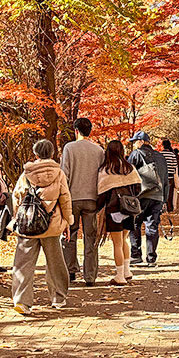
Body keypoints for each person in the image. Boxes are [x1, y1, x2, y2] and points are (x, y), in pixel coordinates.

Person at [11, 139, 72, 314]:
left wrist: (18, 218)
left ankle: (22, 302)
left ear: (35, 154)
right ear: (52, 154)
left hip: (28, 225)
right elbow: (65, 199)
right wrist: (68, 222)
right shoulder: (59, 173)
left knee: (23, 264)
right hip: (52, 223)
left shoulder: (26, 174)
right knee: (55, 262)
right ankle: (58, 298)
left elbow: (17, 198)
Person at [59, 118, 104, 286]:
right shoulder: (99, 150)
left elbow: (65, 174)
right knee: (90, 237)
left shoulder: (69, 148)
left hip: (72, 198)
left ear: (76, 130)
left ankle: (70, 270)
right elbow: (102, 176)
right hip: (92, 198)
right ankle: (90, 276)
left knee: (69, 235)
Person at [96, 140, 142, 285]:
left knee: (116, 243)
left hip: (113, 210)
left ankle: (120, 276)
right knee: (124, 240)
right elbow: (138, 189)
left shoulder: (105, 171)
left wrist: (96, 209)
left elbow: (102, 195)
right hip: (129, 209)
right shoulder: (130, 168)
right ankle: (127, 271)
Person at [127, 131, 168, 266]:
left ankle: (136, 255)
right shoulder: (161, 157)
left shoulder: (136, 154)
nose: (133, 144)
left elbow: (127, 173)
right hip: (158, 195)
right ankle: (151, 257)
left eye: (134, 142)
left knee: (135, 224)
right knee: (152, 226)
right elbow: (166, 179)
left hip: (141, 195)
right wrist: (165, 199)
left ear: (141, 141)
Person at [159, 139, 178, 212]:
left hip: (162, 176)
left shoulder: (160, 154)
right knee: (170, 193)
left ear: (163, 146)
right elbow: (175, 166)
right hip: (170, 176)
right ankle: (170, 208)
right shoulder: (172, 155)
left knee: (162, 192)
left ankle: (162, 207)